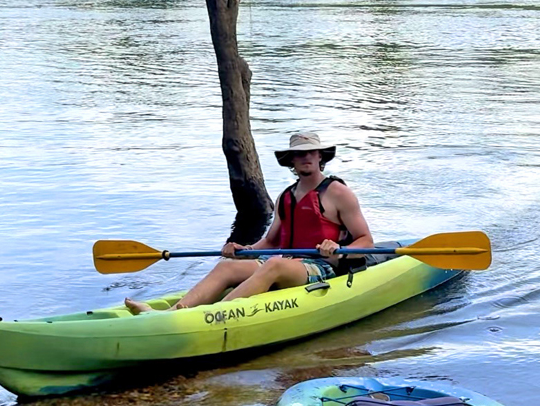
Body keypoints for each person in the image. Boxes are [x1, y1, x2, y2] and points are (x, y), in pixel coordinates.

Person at [124, 133, 373, 314]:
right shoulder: (285, 196)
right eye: (299, 154)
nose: (305, 157)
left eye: (310, 152)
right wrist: (245, 251)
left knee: (274, 264)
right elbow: (272, 241)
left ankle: (211, 316)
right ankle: (175, 311)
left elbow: (366, 240)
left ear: (320, 156)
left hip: (321, 266)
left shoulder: (338, 192)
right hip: (285, 263)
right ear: (292, 161)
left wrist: (337, 249)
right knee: (227, 266)